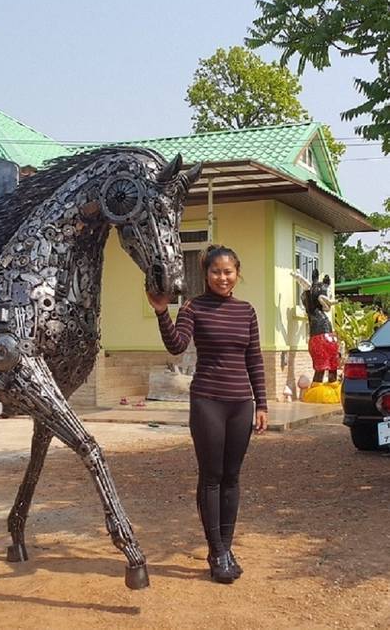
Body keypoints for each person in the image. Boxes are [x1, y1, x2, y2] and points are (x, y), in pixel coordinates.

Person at [146, 244, 267, 584]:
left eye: (228, 271)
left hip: (241, 403)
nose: (222, 277)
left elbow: (254, 360)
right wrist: (160, 312)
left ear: (237, 273)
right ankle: (216, 550)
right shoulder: (193, 308)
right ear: (206, 274)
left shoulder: (247, 311)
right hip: (208, 402)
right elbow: (177, 345)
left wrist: (263, 404)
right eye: (216, 272)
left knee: (232, 477)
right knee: (211, 476)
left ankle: (225, 548)